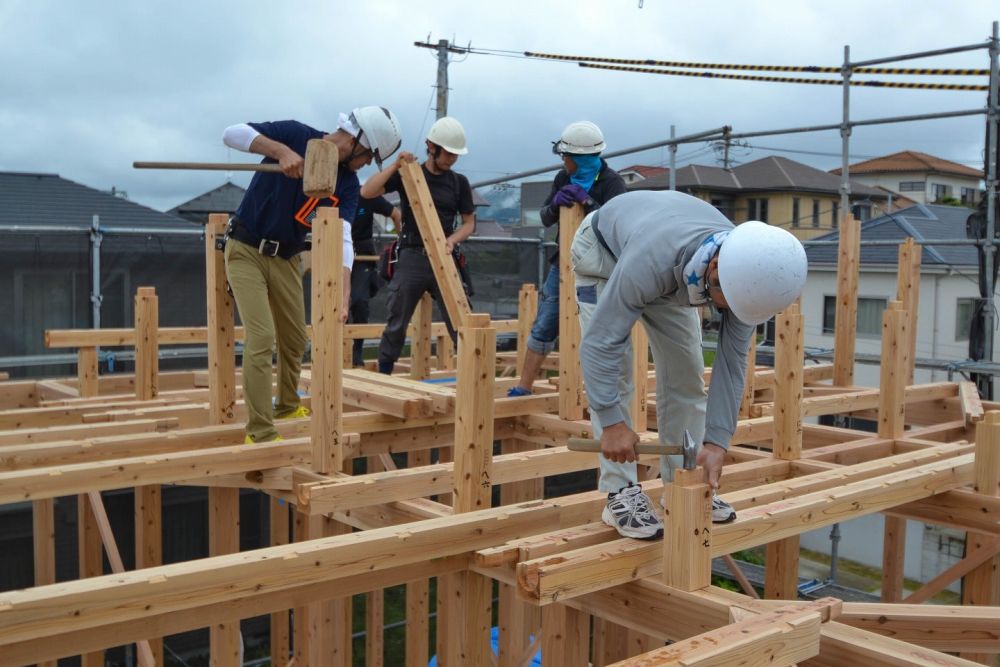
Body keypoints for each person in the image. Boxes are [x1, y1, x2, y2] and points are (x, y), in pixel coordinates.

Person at [572, 190, 807, 539]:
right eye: (721, 301)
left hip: (671, 263)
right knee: (617, 370)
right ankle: (620, 493)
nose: (725, 312)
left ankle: (681, 483)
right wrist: (611, 422)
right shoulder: (652, 263)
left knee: (687, 372)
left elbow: (729, 365)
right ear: (714, 269)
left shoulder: (747, 276)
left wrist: (716, 443)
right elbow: (599, 345)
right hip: (605, 254)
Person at [222, 107, 403, 444]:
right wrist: (280, 152)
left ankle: (287, 406)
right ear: (357, 139)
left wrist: (345, 290)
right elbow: (232, 133)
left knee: (294, 339)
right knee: (262, 338)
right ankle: (259, 430)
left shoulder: (347, 184)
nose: (366, 165)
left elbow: (343, 236)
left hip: (287, 256)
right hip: (246, 249)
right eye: (368, 157)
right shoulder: (294, 134)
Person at [507, 121, 626, 397]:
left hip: (599, 268)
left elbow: (619, 225)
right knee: (545, 323)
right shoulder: (563, 179)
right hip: (562, 264)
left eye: (566, 156)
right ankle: (524, 386)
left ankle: (600, 392)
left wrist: (590, 205)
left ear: (580, 158)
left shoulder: (612, 183)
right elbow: (546, 217)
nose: (563, 161)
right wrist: (556, 203)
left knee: (596, 328)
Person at [360, 116, 476, 375]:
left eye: (456, 155)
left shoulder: (459, 183)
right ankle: (385, 375)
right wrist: (396, 165)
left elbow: (469, 224)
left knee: (462, 318)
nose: (452, 159)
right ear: (431, 146)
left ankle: (472, 377)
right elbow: (367, 191)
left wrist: (452, 239)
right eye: (448, 153)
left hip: (445, 255)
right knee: (397, 319)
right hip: (413, 254)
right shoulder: (410, 174)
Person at [348, 195, 401, 367]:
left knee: (359, 301)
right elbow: (309, 216)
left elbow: (396, 214)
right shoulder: (331, 194)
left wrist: (403, 244)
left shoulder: (366, 196)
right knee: (334, 304)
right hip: (335, 250)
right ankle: (339, 347)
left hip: (362, 255)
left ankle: (357, 349)